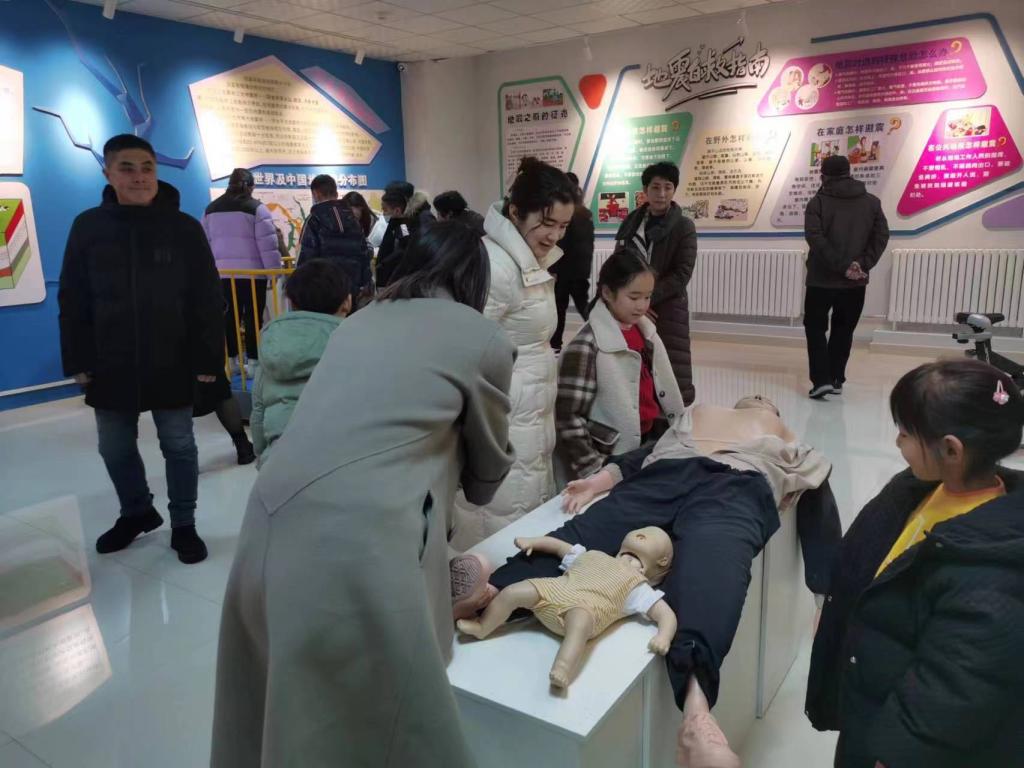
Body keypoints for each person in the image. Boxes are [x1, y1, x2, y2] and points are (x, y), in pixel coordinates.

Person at [210, 221, 516, 768]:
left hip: (267, 515)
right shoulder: (482, 337)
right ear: (476, 279)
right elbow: (484, 479)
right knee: (393, 728)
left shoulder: (357, 322)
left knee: (287, 710)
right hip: (362, 539)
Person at [460, 396, 838, 767]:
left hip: (738, 485)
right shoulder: (700, 414)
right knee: (589, 531)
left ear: (773, 412)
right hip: (666, 473)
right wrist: (596, 483)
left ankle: (697, 716)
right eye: (754, 397)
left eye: (765, 400)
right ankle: (490, 591)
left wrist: (826, 596)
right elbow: (643, 455)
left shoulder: (787, 439)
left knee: (713, 566)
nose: (758, 398)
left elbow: (819, 503)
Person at [806, 360, 1024, 768]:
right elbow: (870, 559)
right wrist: (840, 609)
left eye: (906, 433)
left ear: (952, 450)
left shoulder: (991, 575)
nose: (897, 441)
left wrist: (893, 756)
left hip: (898, 741)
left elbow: (952, 693)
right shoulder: (918, 489)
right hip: (868, 698)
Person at [58, 134, 224, 564]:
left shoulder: (183, 228)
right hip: (110, 359)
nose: (139, 177)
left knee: (179, 445)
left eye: (147, 167)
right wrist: (77, 358)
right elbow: (73, 297)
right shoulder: (88, 226)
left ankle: (184, 524)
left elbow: (207, 297)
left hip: (173, 357)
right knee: (114, 447)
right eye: (127, 168)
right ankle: (136, 511)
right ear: (108, 174)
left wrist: (209, 357)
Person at [449, 156, 576, 551]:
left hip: (528, 414)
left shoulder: (529, 259)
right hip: (504, 415)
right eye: (547, 222)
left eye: (563, 226)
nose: (554, 235)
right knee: (492, 527)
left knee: (520, 519)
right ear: (516, 212)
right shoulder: (495, 265)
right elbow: (463, 351)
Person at [556, 248, 685, 481]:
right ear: (607, 292)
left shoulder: (646, 333)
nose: (642, 306)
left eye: (647, 297)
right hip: (610, 457)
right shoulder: (586, 345)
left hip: (650, 441)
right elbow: (568, 417)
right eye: (633, 297)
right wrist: (595, 470)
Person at [803, 154, 889, 399]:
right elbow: (881, 237)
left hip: (821, 280)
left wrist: (842, 266)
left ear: (824, 176)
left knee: (816, 328)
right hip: (856, 282)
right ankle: (836, 378)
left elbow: (815, 238)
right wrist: (861, 264)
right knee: (844, 329)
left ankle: (821, 381)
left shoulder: (817, 203)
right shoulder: (872, 203)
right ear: (849, 173)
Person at [250, 259, 352, 465]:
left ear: (291, 302)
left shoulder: (273, 343)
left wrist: (263, 457)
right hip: (340, 463)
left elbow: (258, 412)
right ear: (347, 302)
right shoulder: (354, 341)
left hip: (279, 463)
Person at [616, 162, 698, 405]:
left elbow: (682, 273)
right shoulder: (631, 222)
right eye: (655, 187)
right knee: (635, 362)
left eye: (668, 187)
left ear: (674, 190)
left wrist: (646, 299)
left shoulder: (684, 226)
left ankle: (670, 414)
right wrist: (633, 301)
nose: (661, 194)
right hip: (632, 307)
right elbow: (618, 264)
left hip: (667, 307)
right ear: (645, 190)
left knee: (670, 365)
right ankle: (641, 410)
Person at [203, 168, 282, 370]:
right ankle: (254, 361)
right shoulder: (257, 208)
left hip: (223, 274)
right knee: (253, 316)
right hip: (253, 275)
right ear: (250, 187)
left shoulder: (211, 209)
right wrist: (274, 272)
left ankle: (231, 360)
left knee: (228, 317)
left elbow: (206, 243)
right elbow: (267, 244)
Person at [297, 174, 370, 301]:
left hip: (323, 288)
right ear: (336, 193)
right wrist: (365, 282)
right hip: (352, 288)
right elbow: (363, 252)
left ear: (316, 194)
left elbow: (306, 255)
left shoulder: (314, 219)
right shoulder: (352, 218)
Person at [550, 172, 595, 352]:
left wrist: (553, 268)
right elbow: (588, 245)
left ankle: (555, 345)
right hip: (580, 269)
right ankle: (601, 334)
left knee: (559, 308)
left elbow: (561, 243)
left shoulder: (566, 213)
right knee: (583, 305)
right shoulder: (585, 213)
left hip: (564, 270)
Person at [376, 181, 437, 289]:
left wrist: (385, 264)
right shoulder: (402, 219)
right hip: (399, 280)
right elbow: (400, 243)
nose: (384, 212)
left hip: (416, 281)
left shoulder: (423, 218)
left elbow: (413, 249)